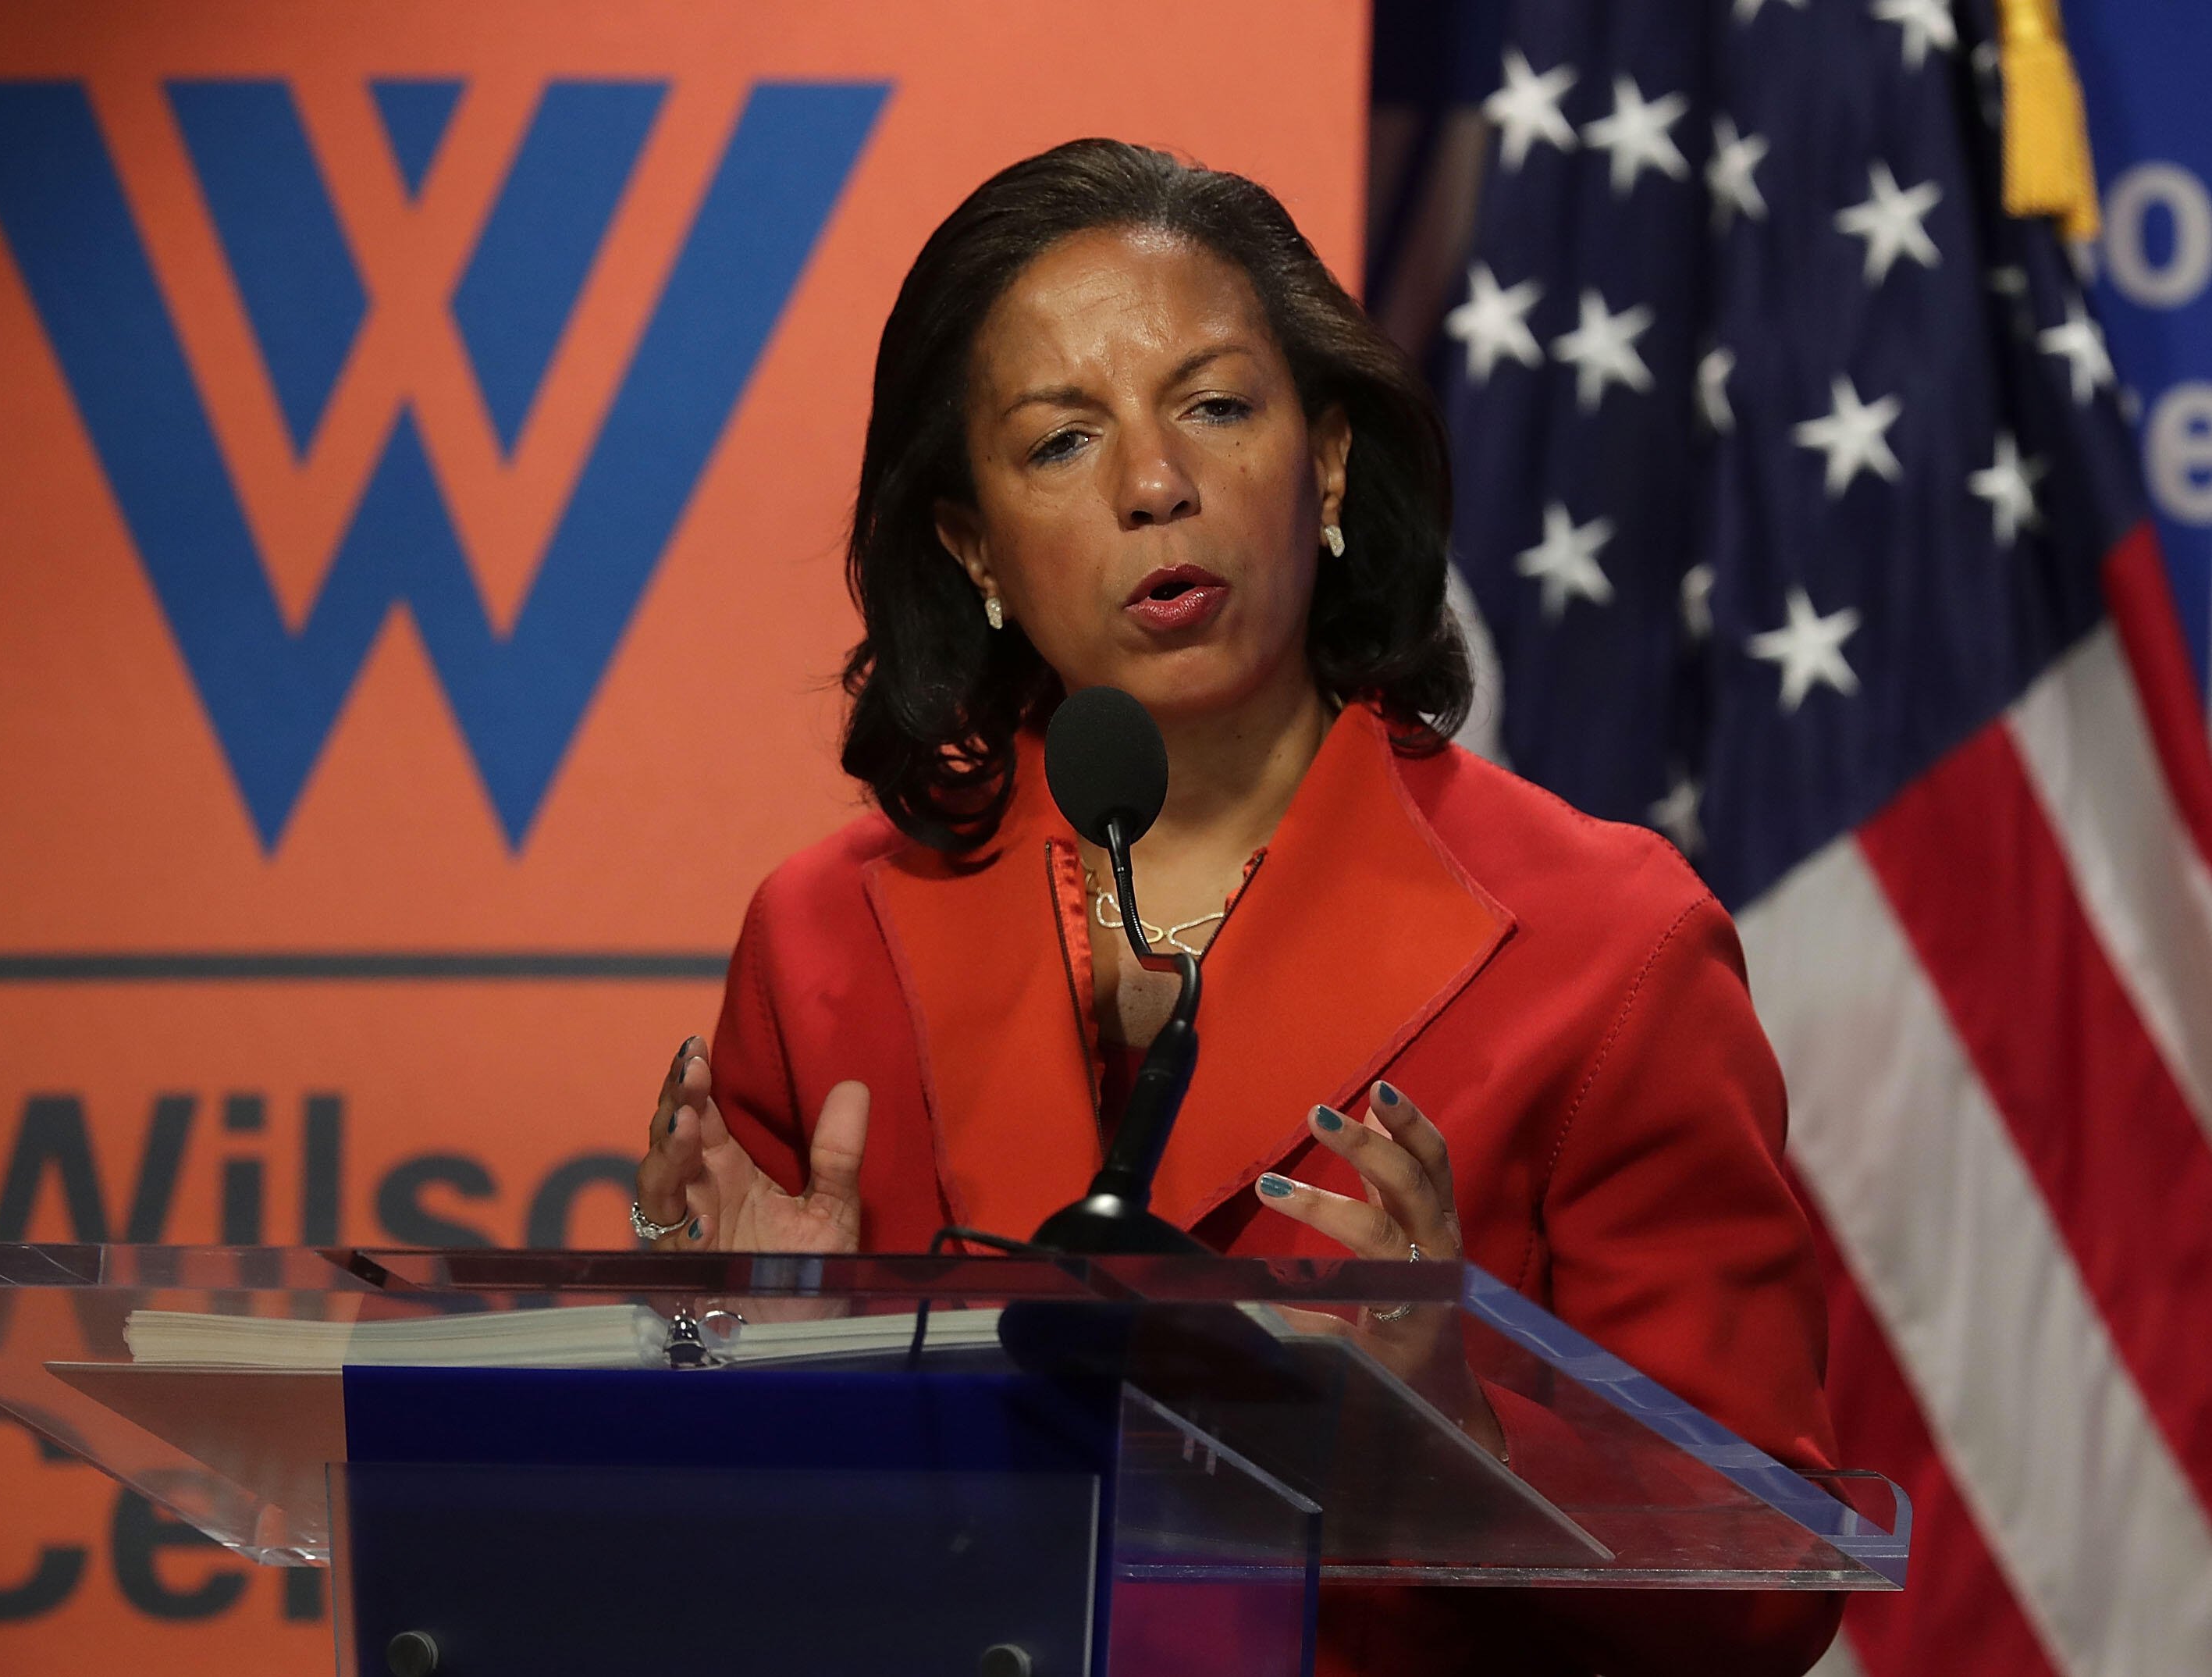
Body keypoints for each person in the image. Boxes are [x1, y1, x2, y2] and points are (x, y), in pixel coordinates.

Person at [633, 139, 1841, 1675]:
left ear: (1328, 462)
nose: (1156, 484)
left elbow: (1769, 1576)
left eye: (1215, 406)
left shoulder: (1606, 946)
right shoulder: (825, 946)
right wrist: (723, 1353)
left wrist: (1452, 1429)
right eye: (1062, 442)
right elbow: (697, 1549)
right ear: (972, 544)